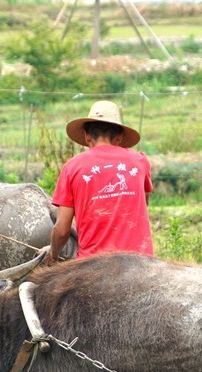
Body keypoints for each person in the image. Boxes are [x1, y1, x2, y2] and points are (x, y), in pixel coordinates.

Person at [45, 100, 153, 265]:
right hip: (141, 263)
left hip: (94, 268)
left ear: (87, 137)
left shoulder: (72, 167)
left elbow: (61, 230)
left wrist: (53, 253)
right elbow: (143, 204)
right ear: (119, 137)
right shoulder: (140, 161)